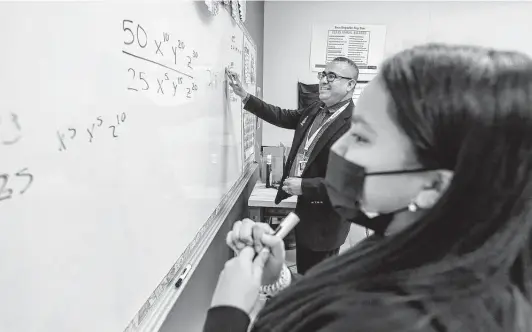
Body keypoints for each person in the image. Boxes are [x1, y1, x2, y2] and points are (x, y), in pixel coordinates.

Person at [204, 44, 532, 332]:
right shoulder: (403, 243)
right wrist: (279, 278)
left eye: (361, 137)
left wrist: (229, 311)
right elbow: (336, 292)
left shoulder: (400, 319)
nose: (341, 151)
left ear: (434, 185)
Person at [227, 57, 359, 274]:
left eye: (332, 76)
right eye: (323, 74)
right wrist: (245, 97)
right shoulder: (316, 108)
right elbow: (282, 116)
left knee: (315, 282)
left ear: (350, 85)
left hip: (327, 222)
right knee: (304, 270)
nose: (324, 80)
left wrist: (304, 186)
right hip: (305, 212)